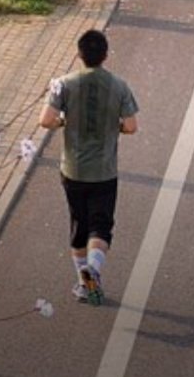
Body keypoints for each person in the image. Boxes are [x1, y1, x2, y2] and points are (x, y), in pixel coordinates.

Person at [40, 30, 139, 306]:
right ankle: (92, 272)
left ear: (79, 54)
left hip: (72, 170)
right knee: (101, 227)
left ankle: (85, 285)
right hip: (104, 172)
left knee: (79, 225)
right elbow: (131, 126)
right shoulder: (119, 86)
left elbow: (46, 120)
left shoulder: (63, 84)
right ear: (105, 55)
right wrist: (114, 127)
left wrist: (64, 122)